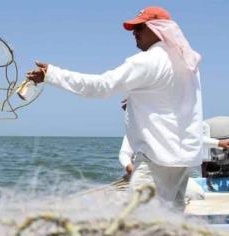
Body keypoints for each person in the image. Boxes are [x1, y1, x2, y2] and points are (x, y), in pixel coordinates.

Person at [26, 6, 203, 210]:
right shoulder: (188, 61)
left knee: (140, 223)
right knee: (172, 221)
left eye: (139, 28)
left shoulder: (148, 61)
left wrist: (52, 74)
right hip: (185, 159)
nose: (134, 33)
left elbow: (101, 86)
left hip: (158, 158)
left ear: (157, 29)